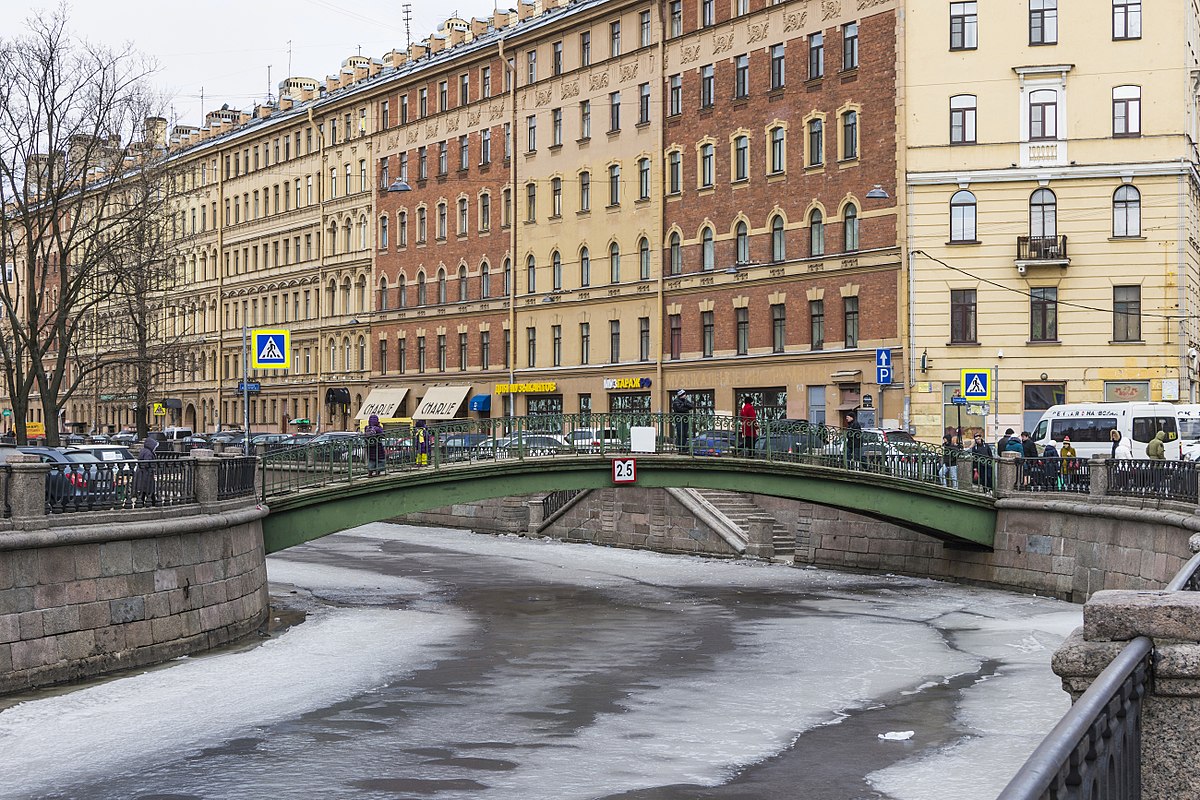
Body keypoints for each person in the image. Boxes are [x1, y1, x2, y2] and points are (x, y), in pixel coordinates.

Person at [133, 436, 158, 507]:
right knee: (148, 488)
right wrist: (152, 467)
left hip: (141, 473)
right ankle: (152, 502)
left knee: (142, 489)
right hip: (146, 473)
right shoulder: (148, 453)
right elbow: (147, 462)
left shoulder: (143, 450)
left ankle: (141, 502)